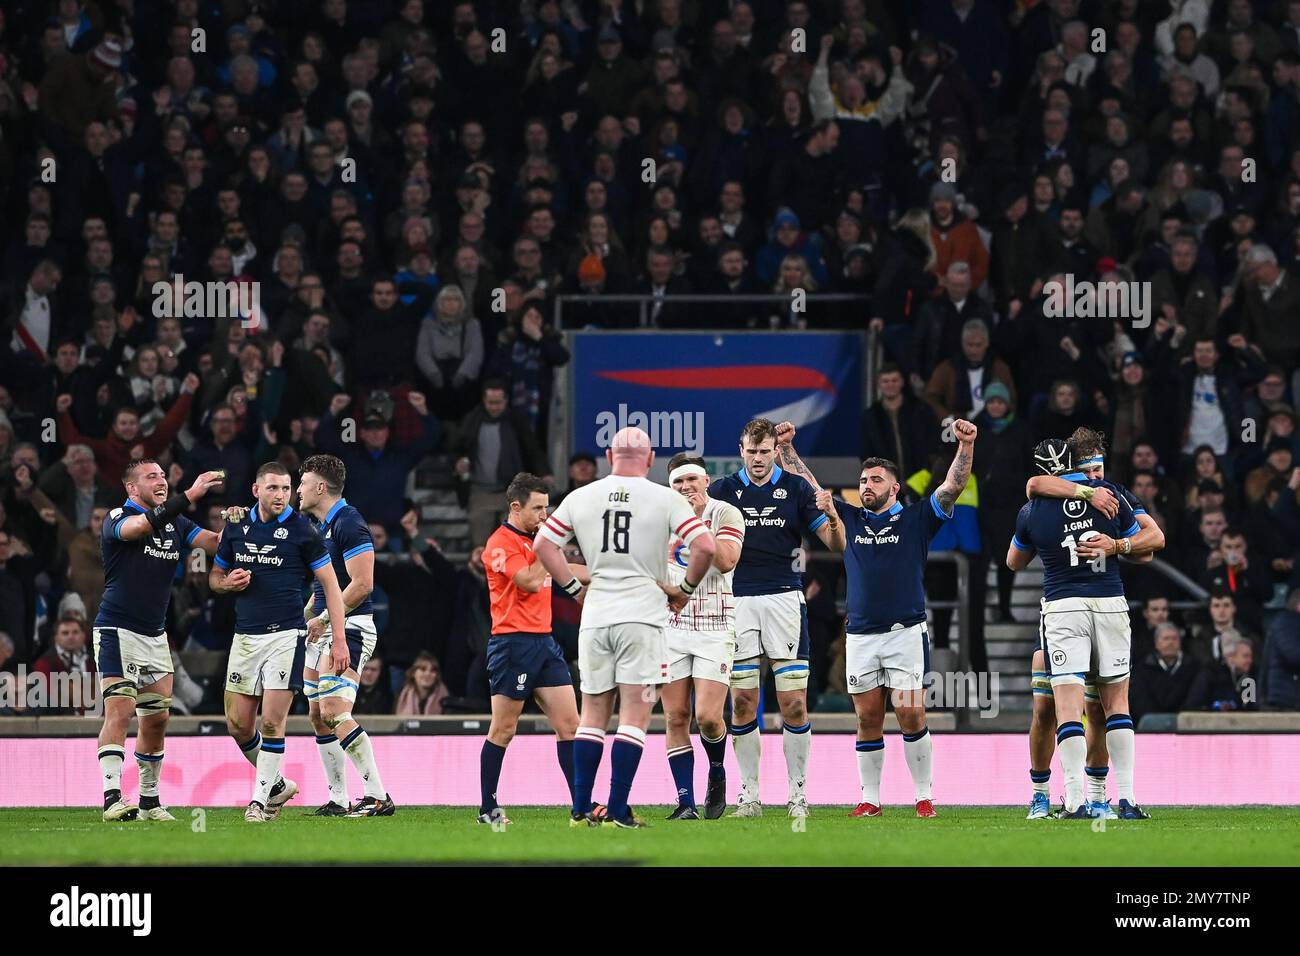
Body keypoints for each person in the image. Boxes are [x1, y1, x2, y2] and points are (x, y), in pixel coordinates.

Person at [786, 419, 975, 818]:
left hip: (905, 633)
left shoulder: (917, 519)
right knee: (867, 718)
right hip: (860, 637)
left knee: (910, 713)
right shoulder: (849, 519)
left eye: (875, 479)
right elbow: (808, 487)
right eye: (863, 480)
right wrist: (787, 449)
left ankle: (924, 796)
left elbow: (953, 485)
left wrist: (966, 445)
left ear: (895, 487)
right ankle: (870, 800)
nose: (867, 485)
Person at [534, 427, 716, 829]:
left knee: (593, 714)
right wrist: (684, 590)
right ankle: (617, 808)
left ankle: (581, 809)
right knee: (634, 713)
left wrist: (571, 588)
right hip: (643, 617)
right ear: (650, 459)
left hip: (596, 615)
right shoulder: (665, 498)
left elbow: (543, 545)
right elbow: (705, 547)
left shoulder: (581, 497)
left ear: (607, 454)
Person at [1007, 437, 1162, 820]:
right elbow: (1152, 543)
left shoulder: (1033, 508)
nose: (1096, 473)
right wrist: (1116, 545)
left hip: (1062, 608)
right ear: (1077, 466)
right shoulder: (1111, 496)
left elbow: (1012, 562)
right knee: (1114, 706)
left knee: (1067, 708)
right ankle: (1124, 799)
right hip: (1110, 603)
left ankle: (1077, 799)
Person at [708, 418, 844, 818]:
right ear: (741, 450)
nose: (758, 459)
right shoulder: (722, 491)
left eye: (765, 452)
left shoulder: (798, 488)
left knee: (795, 705)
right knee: (744, 702)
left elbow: (835, 544)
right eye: (751, 452)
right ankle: (749, 798)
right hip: (737, 600)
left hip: (785, 599)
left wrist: (832, 516)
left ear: (774, 451)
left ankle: (798, 795)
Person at [210, 462, 351, 823]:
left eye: (286, 488)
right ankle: (275, 784)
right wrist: (227, 584)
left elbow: (332, 586)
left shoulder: (303, 530)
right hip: (245, 637)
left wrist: (339, 639)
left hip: (287, 636)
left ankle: (259, 803)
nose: (281, 495)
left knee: (273, 723)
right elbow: (214, 576)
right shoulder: (237, 525)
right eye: (272, 488)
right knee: (238, 724)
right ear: (256, 490)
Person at [93, 459, 229, 822]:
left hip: (155, 636)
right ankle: (112, 799)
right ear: (131, 488)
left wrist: (243, 524)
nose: (162, 481)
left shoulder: (177, 523)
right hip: (117, 629)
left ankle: (150, 802)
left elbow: (214, 543)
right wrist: (189, 494)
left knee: (156, 719)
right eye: (152, 477)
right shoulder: (118, 517)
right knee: (120, 710)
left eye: (164, 476)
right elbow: (138, 528)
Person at [477, 472, 589, 826]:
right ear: (515, 507)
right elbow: (526, 580)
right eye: (538, 508)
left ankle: (581, 808)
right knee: (503, 729)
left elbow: (564, 569)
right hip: (512, 644)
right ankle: (488, 808)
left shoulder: (535, 542)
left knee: (571, 725)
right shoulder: (499, 543)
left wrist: (606, 571)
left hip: (544, 641)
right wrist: (546, 543)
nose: (545, 514)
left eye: (547, 507)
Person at [296, 454, 393, 817]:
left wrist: (323, 618)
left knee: (335, 711)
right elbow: (331, 580)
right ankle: (338, 799)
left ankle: (378, 795)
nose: (298, 490)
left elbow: (363, 584)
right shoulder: (323, 525)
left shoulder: (349, 523)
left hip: (349, 628)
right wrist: (311, 609)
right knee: (318, 714)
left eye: (303, 483)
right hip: (323, 627)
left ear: (321, 487)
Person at [660, 453, 746, 820]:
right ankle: (685, 802)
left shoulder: (725, 513)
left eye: (691, 480)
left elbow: (726, 560)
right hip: (671, 626)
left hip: (715, 624)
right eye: (678, 483)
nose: (685, 488)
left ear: (706, 481)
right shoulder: (659, 517)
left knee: (708, 717)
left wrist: (695, 524)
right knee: (676, 716)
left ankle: (716, 769)